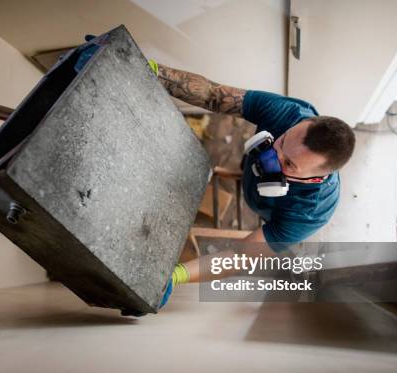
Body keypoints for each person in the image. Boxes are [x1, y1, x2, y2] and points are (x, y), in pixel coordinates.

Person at [149, 60, 356, 306]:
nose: (269, 157)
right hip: (254, 182)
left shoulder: (307, 214)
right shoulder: (290, 113)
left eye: (288, 164)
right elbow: (214, 95)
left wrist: (177, 275)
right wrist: (154, 71)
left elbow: (239, 256)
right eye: (281, 141)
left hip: (273, 211)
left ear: (313, 179)